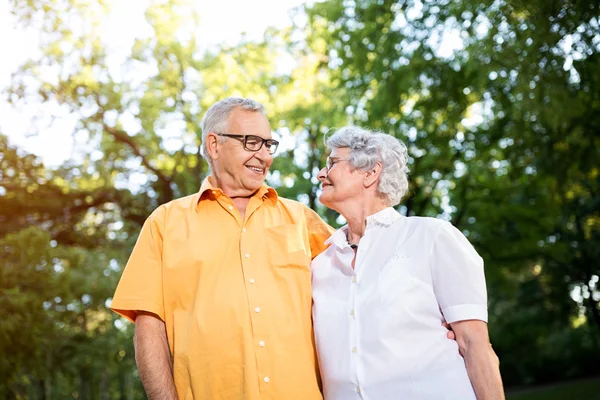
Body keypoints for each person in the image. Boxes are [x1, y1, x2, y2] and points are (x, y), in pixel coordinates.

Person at [110, 97, 334, 399]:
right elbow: (150, 328)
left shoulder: (302, 220)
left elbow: (359, 287)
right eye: (252, 142)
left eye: (269, 144)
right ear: (214, 145)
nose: (264, 155)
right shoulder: (164, 223)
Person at [312, 126, 505, 400]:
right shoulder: (319, 266)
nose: (321, 173)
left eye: (332, 163)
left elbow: (474, 345)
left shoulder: (431, 237)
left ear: (370, 172)